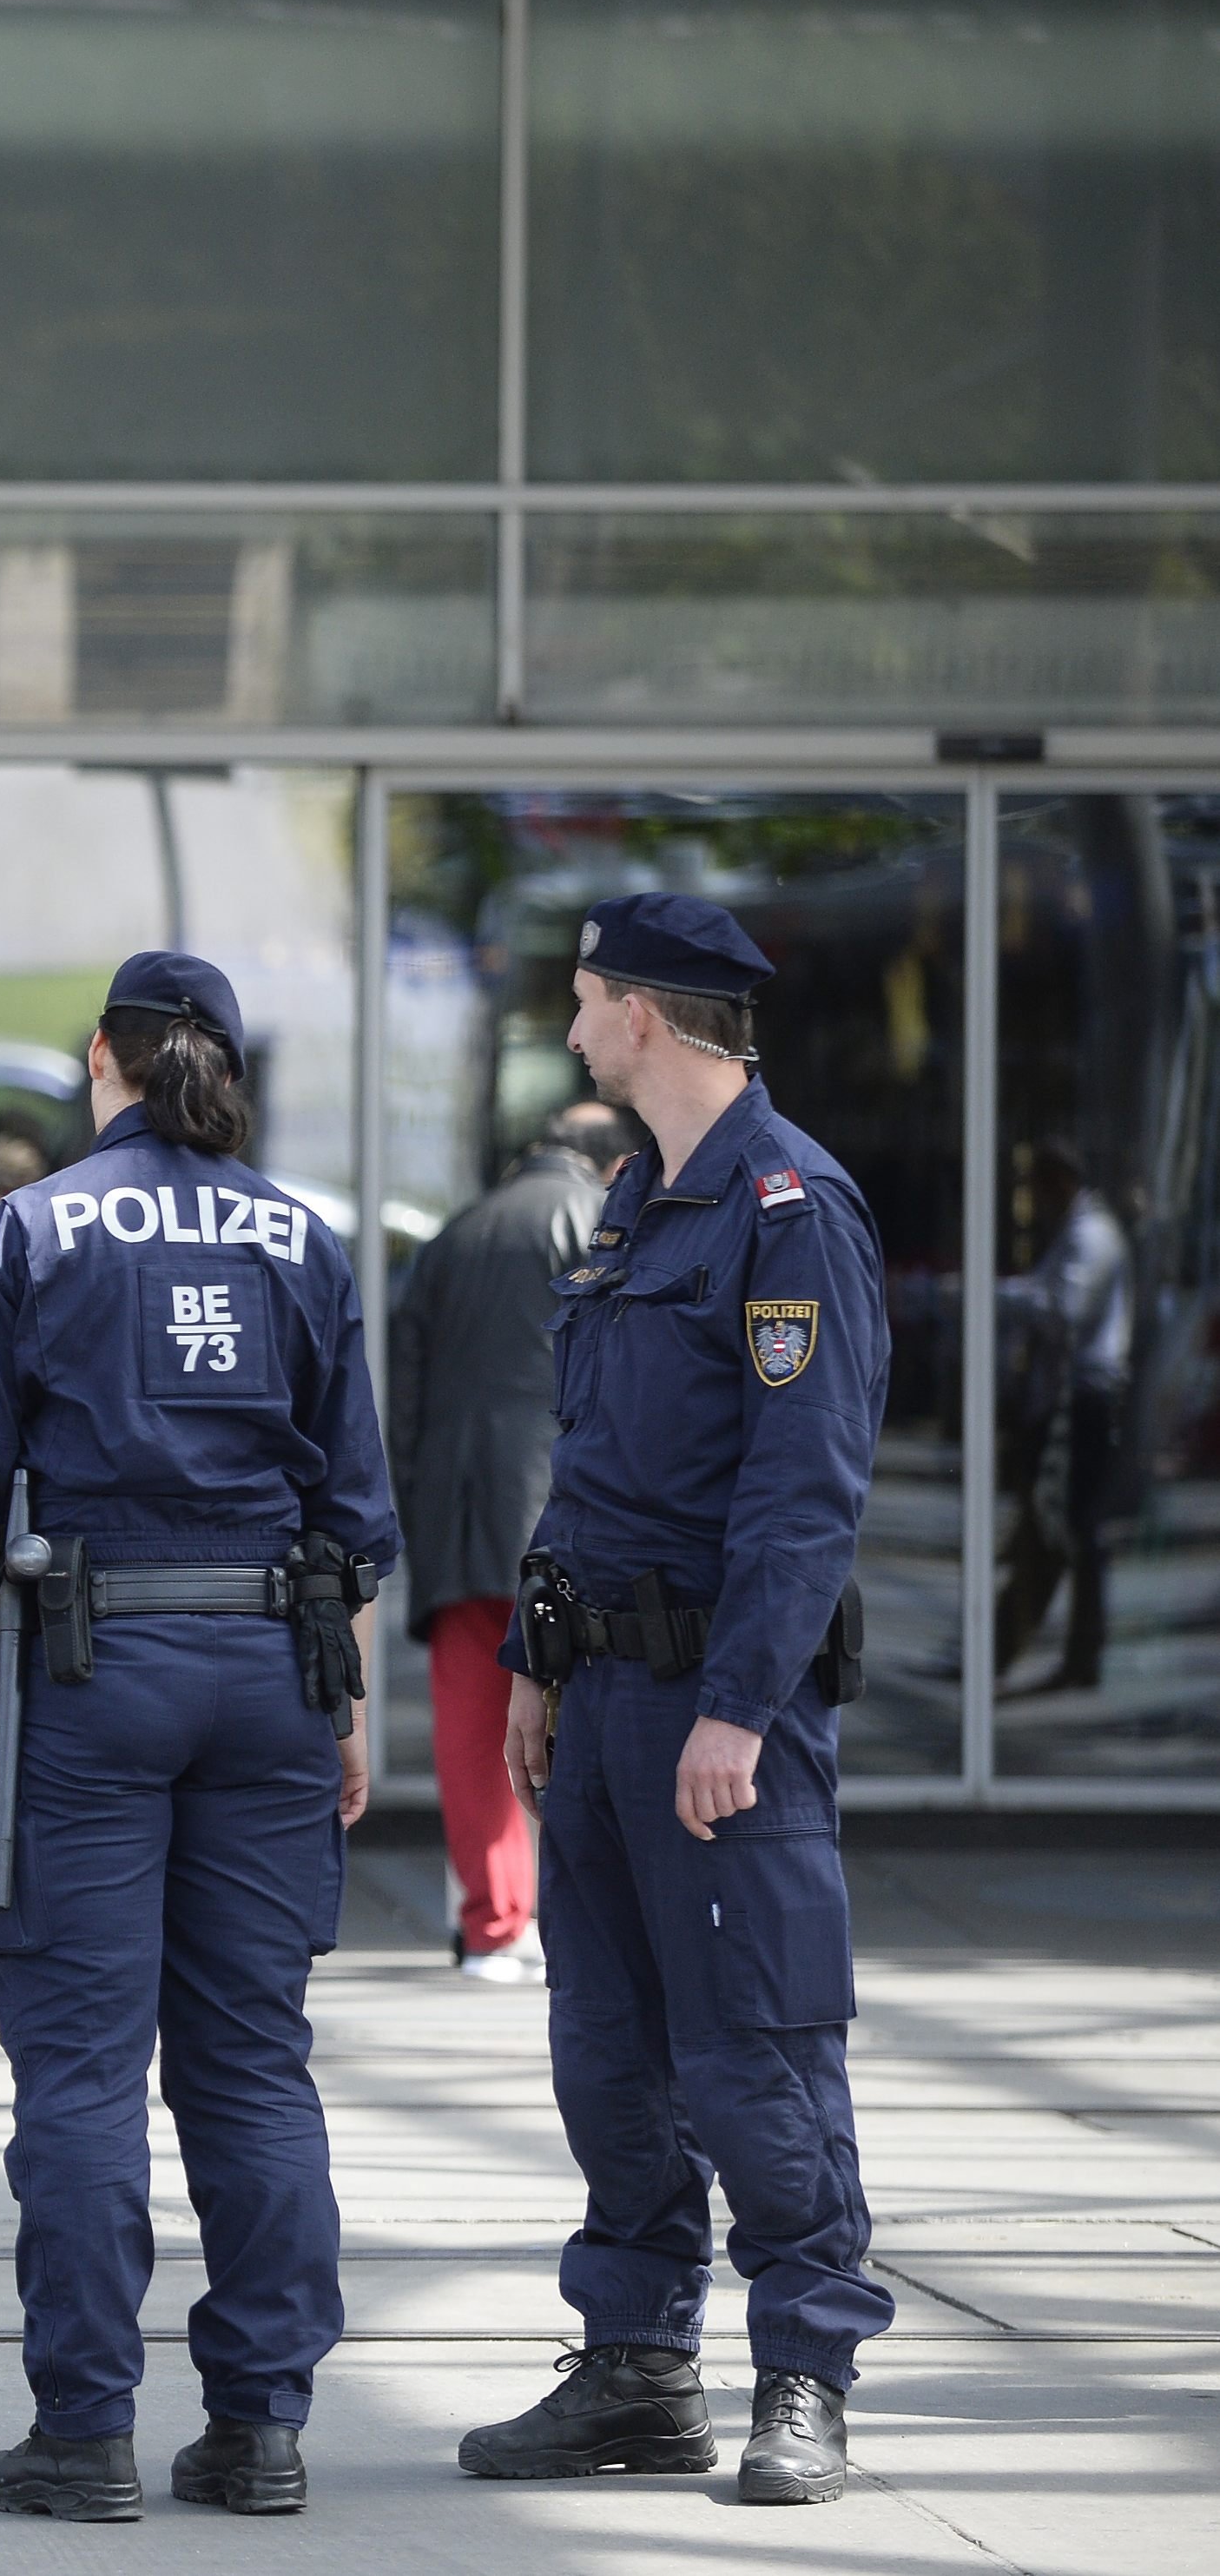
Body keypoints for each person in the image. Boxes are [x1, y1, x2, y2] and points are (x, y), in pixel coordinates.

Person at [0, 951, 394, 2523]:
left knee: (83, 2065)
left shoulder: (18, 1231)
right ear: (221, 1064)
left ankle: (84, 2428)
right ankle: (261, 2427)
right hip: (271, 1668)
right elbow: (350, 1512)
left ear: (95, 1056)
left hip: (90, 1670)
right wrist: (343, 1704)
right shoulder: (304, 1234)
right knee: (250, 2060)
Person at [459, 893, 894, 2508]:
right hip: (600, 1703)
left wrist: (737, 1705)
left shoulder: (789, 1211)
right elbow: (591, 1473)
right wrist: (531, 1654)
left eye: (580, 1000)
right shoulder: (643, 1201)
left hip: (724, 1713)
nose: (567, 1029)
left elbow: (803, 1492)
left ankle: (805, 2377)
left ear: (642, 1015)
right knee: (609, 2052)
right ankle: (637, 2371)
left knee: (754, 2051)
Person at [387, 1100, 638, 1980]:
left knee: (469, 1718)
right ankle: (571, 1917)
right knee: (584, 1714)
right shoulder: (600, 1225)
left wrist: (412, 1505)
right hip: (562, 1509)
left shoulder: (454, 1235)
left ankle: (494, 1921)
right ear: (614, 1169)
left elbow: (407, 1395)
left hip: (455, 1511)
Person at [1002, 1140, 1130, 1690]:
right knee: (1053, 1528)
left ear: (1060, 1182)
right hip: (1071, 1398)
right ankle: (1009, 1646)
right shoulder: (1080, 1231)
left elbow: (1065, 1308)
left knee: (1067, 1528)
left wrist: (998, 1298)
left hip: (1083, 1400)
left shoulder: (1090, 1234)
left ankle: (1071, 1653)